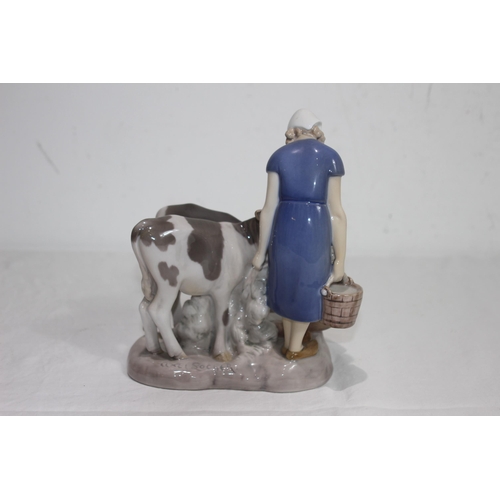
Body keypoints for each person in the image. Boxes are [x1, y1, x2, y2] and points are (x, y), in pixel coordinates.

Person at [252, 109, 347, 360]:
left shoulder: (279, 157)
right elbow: (337, 213)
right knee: (308, 286)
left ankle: (291, 340)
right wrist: (339, 261)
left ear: (292, 131)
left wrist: (261, 252)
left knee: (287, 284)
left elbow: (268, 209)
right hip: (315, 228)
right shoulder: (331, 157)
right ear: (316, 130)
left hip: (284, 227)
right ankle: (295, 348)